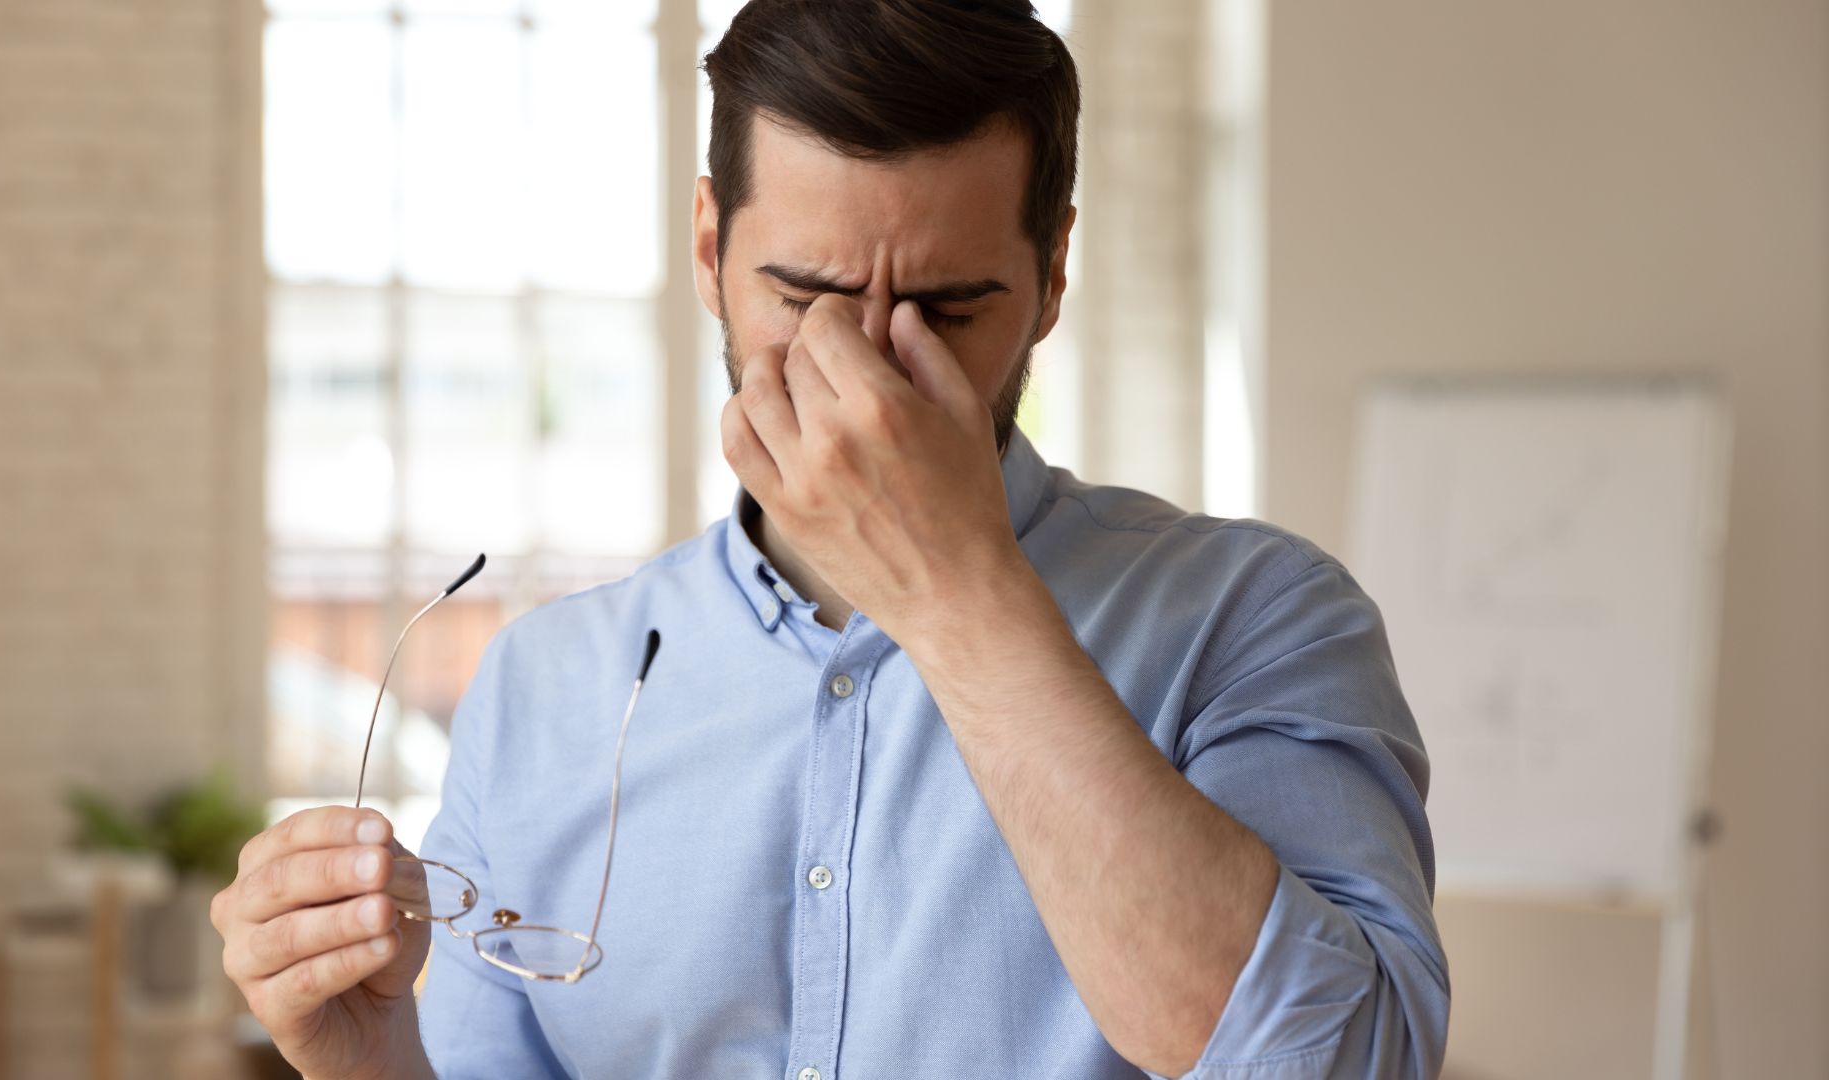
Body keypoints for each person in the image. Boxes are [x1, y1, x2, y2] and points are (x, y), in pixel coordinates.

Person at [210, 2, 1450, 1077]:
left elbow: (1331, 1062)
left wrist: (959, 589)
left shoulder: (1256, 617)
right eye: (800, 297)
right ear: (710, 251)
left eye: (948, 309)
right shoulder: (543, 687)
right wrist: (373, 1069)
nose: (858, 366)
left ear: (1055, 269)